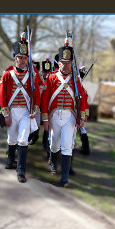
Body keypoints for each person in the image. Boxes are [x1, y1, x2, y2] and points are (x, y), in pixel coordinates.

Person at [41, 39, 86, 188]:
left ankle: (64, 178)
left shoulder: (76, 80)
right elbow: (45, 98)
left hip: (70, 117)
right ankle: (53, 162)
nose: (65, 65)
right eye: (63, 62)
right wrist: (45, 119)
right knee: (54, 145)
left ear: (71, 63)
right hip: (54, 115)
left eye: (68, 62)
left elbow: (82, 98)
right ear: (58, 63)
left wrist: (82, 116)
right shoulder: (52, 78)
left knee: (67, 146)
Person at [0, 32, 41, 183]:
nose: (22, 61)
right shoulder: (7, 75)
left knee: (23, 140)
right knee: (11, 139)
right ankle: (10, 161)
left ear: (27, 59)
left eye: (24, 58)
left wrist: (35, 109)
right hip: (11, 111)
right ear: (15, 58)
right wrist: (6, 114)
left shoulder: (32, 75)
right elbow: (1, 95)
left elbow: (36, 94)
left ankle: (21, 171)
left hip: (25, 112)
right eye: (19, 58)